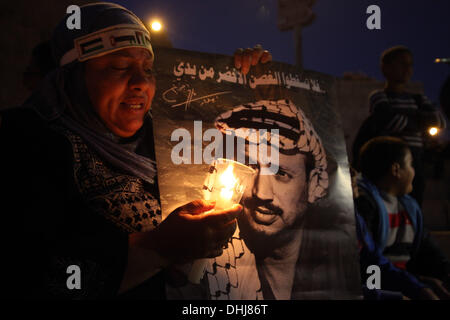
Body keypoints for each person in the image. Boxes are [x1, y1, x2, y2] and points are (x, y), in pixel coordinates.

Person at [0, 2, 270, 299]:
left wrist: (246, 79)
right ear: (72, 78)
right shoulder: (25, 141)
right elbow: (32, 276)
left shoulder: (162, 143)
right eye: (119, 67)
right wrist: (156, 248)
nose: (142, 83)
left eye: (148, 69)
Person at [205, 99, 329, 299]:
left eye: (280, 173)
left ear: (313, 184)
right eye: (250, 167)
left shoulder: (337, 265)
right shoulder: (215, 267)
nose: (261, 193)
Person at [355, 136, 450, 299]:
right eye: (411, 164)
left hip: (403, 281)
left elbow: (429, 252)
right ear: (396, 170)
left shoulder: (409, 208)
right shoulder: (366, 205)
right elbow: (370, 264)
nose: (415, 171)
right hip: (379, 285)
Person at [352, 46, 446, 207]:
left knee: (415, 201)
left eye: (410, 64)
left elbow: (438, 122)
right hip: (389, 160)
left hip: (415, 160)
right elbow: (389, 121)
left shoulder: (418, 98)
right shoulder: (379, 96)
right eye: (402, 64)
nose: (408, 69)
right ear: (386, 68)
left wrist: (404, 120)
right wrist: (418, 121)